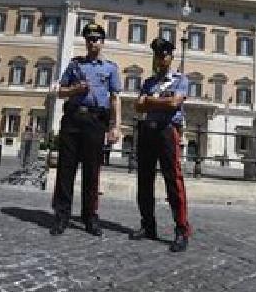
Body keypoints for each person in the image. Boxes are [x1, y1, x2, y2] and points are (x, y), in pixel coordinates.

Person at [50, 23, 121, 236]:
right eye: (89, 38)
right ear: (85, 41)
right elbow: (60, 92)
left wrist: (115, 126)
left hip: (95, 121)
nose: (93, 42)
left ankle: (90, 216)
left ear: (102, 41)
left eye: (97, 38)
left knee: (92, 171)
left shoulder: (110, 68)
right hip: (73, 119)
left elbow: (115, 98)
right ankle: (61, 216)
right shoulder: (74, 65)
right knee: (66, 169)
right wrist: (75, 89)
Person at [130, 37, 191, 252]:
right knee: (144, 180)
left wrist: (151, 101)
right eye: (157, 54)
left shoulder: (180, 80)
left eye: (165, 54)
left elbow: (175, 103)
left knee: (173, 180)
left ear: (171, 56)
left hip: (167, 131)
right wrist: (159, 101)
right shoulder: (148, 82)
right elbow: (138, 106)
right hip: (148, 130)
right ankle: (148, 225)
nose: (161, 58)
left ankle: (182, 229)